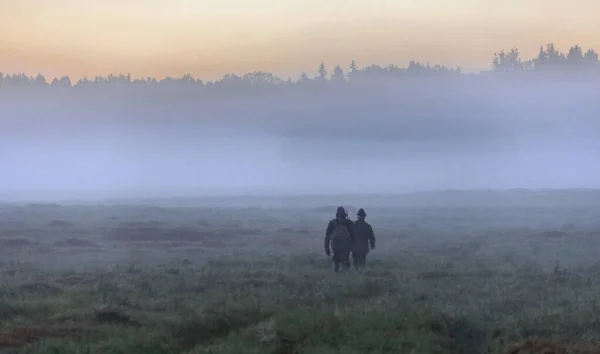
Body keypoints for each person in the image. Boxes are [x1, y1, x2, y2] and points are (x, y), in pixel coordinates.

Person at [324, 206, 355, 273]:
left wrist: (327, 248)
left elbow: (327, 236)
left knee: (336, 259)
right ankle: (346, 274)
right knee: (345, 259)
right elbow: (353, 235)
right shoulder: (349, 222)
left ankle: (336, 273)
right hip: (346, 245)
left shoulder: (332, 222)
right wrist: (353, 247)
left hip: (335, 245)